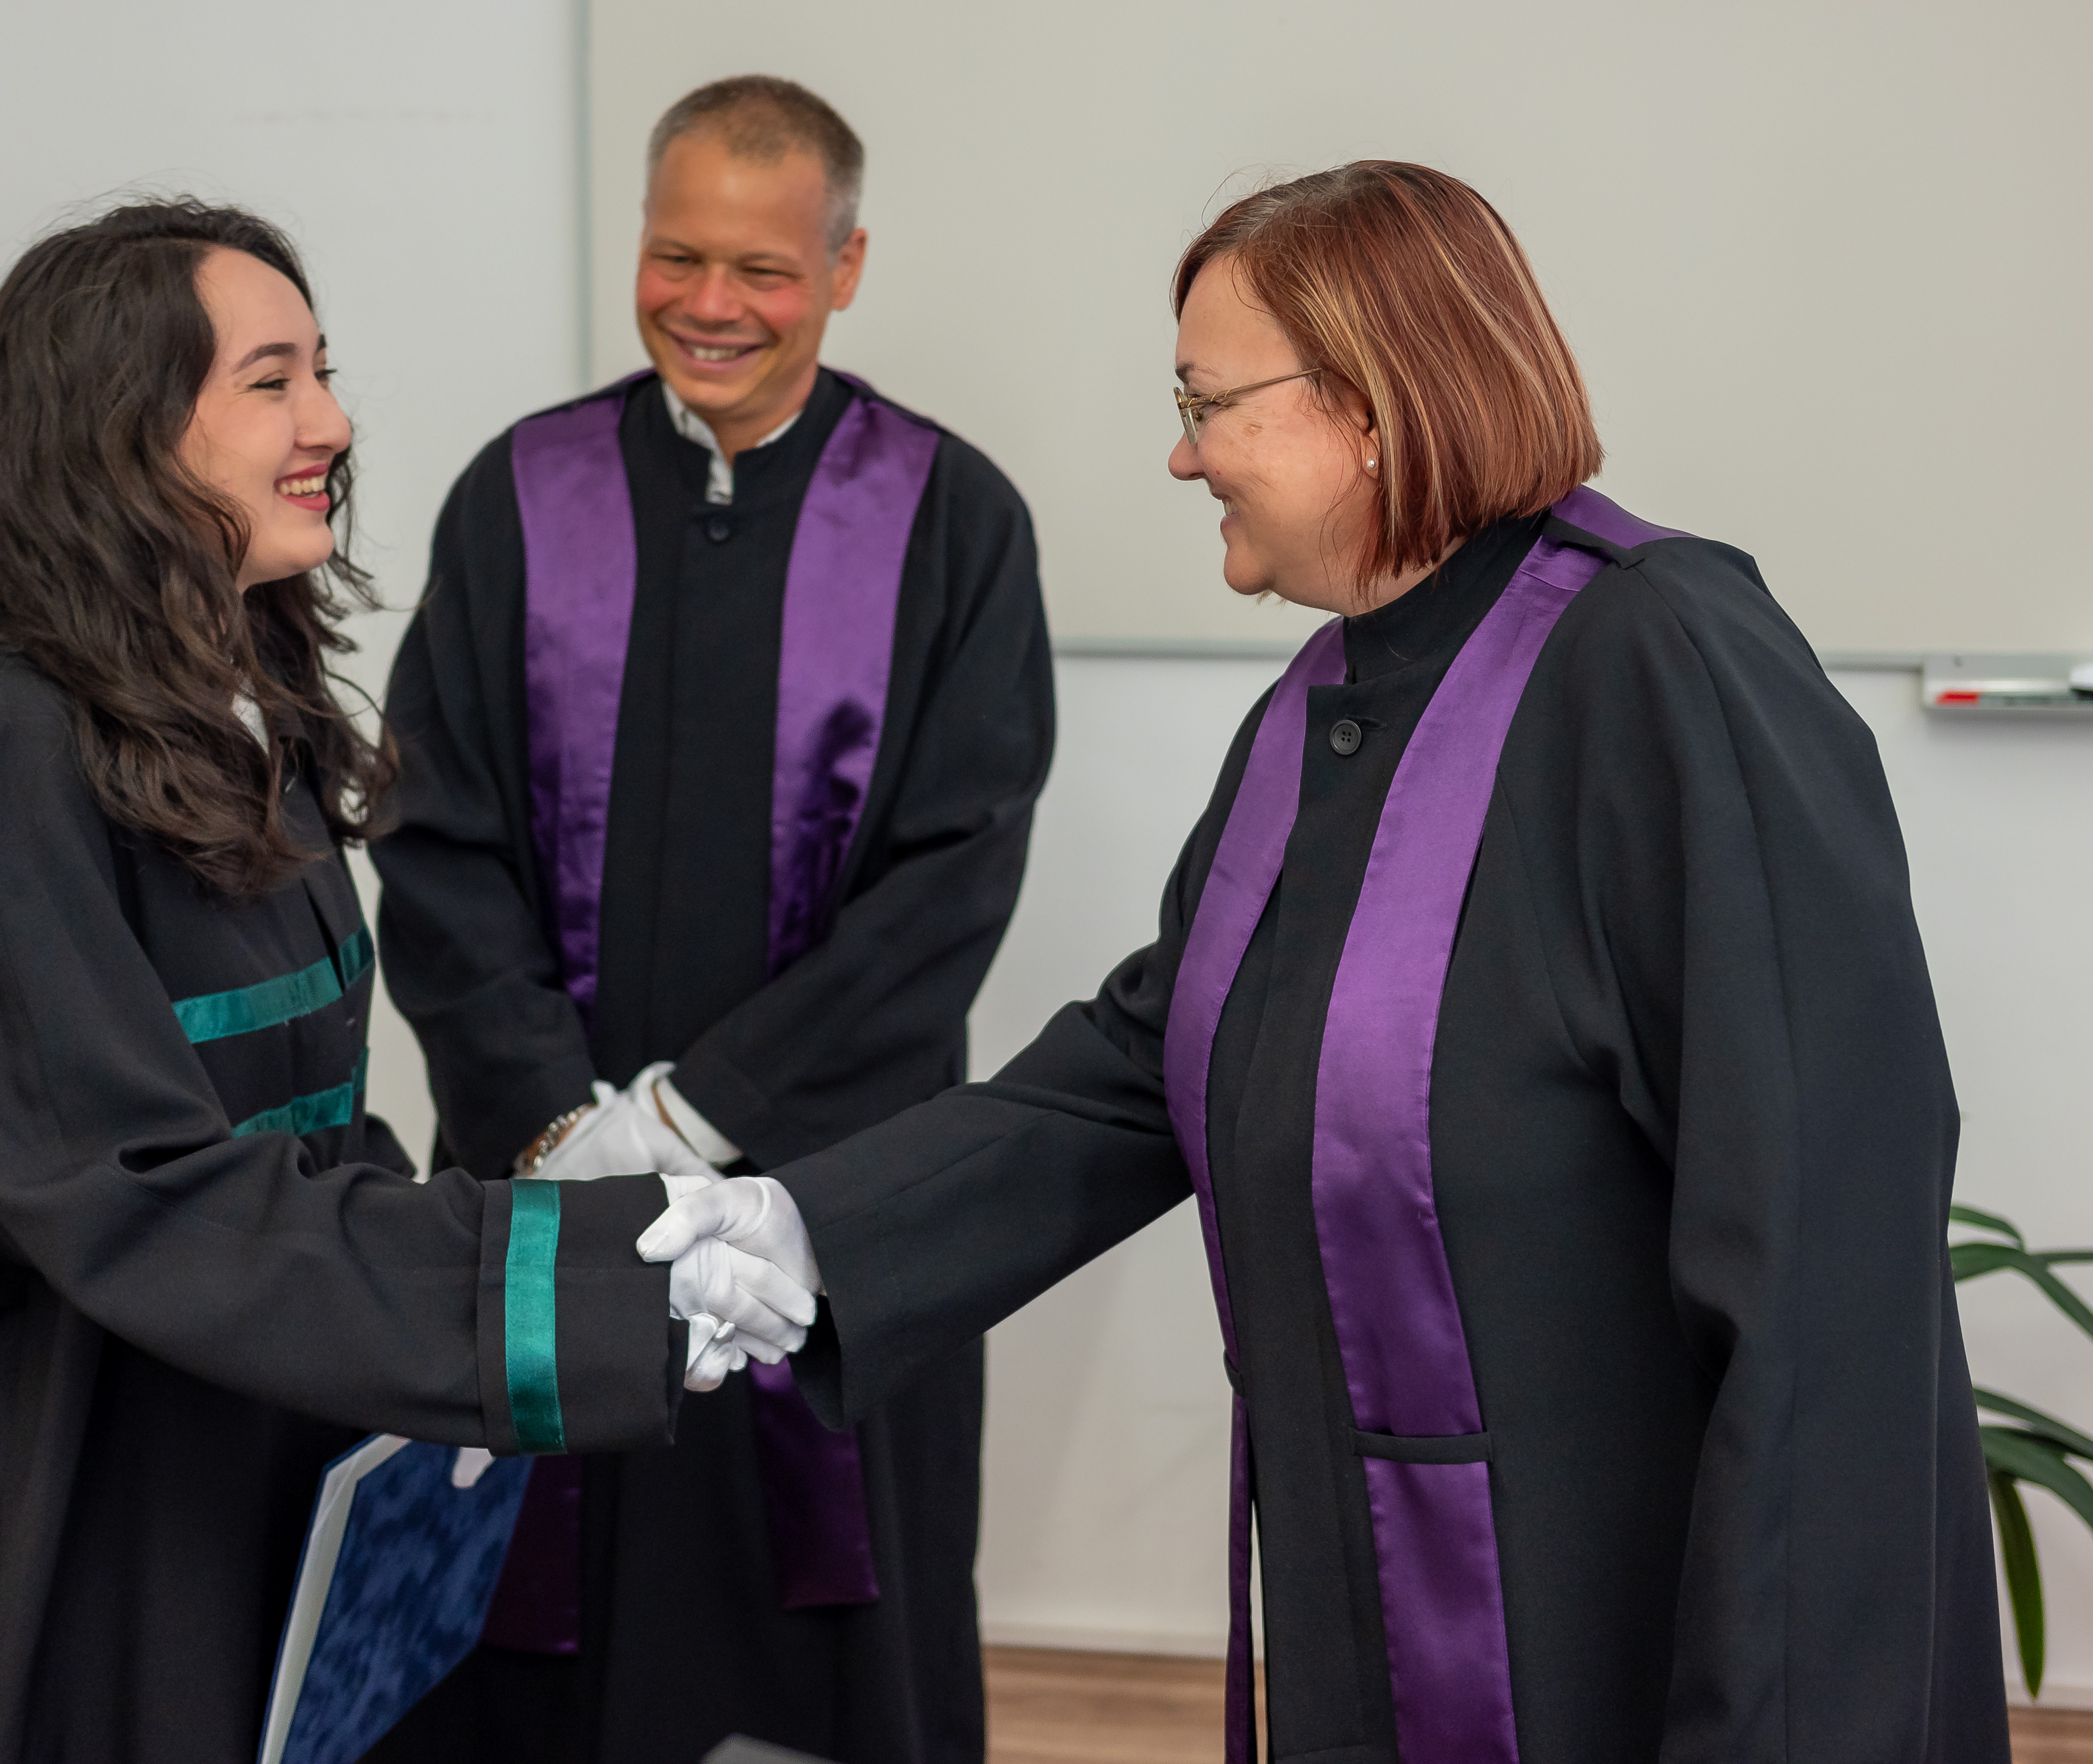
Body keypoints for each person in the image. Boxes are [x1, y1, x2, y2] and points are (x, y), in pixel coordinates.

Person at [647, 162, 2010, 1763]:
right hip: (1365, 1600)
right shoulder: (1320, 707)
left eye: (1207, 403)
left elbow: (1825, 1263)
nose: (1182, 454)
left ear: (1368, 405)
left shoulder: (1663, 662)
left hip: (1615, 1632)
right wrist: (818, 1233)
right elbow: (1154, 1063)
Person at [0, 200, 799, 1764]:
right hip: (34, 1533)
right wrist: (571, 1285)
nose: (331, 423)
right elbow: (145, 1197)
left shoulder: (233, 722)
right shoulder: (5, 748)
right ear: (120, 433)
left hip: (209, 1472)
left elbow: (306, 1138)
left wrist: (557, 1234)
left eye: (320, 372)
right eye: (273, 381)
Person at [368, 75, 1053, 1764]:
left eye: (763, 267)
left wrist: (692, 1120)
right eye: (679, 256)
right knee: (538, 1617)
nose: (712, 304)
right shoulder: (522, 495)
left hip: (826, 1192)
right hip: (552, 1178)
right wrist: (561, 1121)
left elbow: (951, 882)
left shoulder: (952, 519)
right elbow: (436, 837)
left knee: (823, 1632)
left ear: (845, 267)